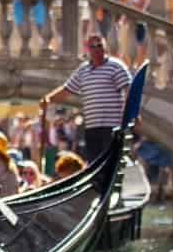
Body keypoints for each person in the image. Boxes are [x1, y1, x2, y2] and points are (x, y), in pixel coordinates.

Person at [40, 32, 132, 162]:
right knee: (95, 161)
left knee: (109, 160)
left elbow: (128, 89)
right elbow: (67, 89)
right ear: (87, 49)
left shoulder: (116, 66)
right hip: (92, 126)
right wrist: (48, 99)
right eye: (92, 46)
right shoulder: (83, 70)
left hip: (112, 125)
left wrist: (130, 113)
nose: (96, 48)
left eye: (99, 45)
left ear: (105, 47)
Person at [125, 0, 151, 66]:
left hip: (139, 22)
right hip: (130, 22)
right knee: (128, 48)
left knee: (140, 49)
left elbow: (139, 6)